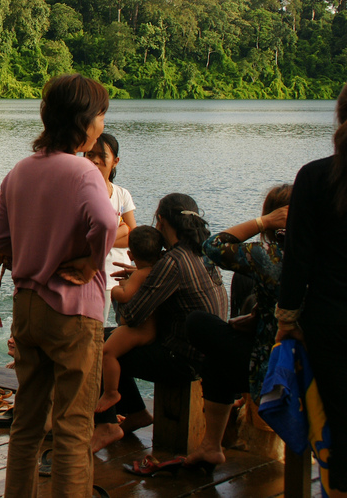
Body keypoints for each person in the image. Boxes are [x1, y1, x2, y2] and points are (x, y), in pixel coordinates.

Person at [0, 73, 116, 498]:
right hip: (73, 312)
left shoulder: (19, 171)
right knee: (74, 427)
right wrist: (92, 260)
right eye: (100, 115)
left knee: (26, 422)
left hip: (27, 307)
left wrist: (24, 252)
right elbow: (106, 222)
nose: (101, 125)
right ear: (83, 122)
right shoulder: (83, 172)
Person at [92, 193, 228, 452]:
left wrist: (128, 287)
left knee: (96, 345)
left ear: (162, 222)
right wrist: (142, 276)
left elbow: (131, 316)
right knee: (107, 338)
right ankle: (136, 413)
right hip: (205, 353)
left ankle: (106, 424)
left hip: (183, 359)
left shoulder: (173, 262)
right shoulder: (202, 253)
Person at [181, 185, 290, 470]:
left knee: (198, 325)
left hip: (275, 372)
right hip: (314, 366)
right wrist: (260, 318)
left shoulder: (271, 256)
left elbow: (212, 246)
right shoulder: (328, 255)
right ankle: (210, 448)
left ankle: (211, 446)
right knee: (218, 356)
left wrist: (263, 222)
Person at [277, 82, 347, 497]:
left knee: (337, 415)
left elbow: (296, 259)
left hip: (329, 321)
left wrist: (286, 320)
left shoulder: (316, 176)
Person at [96, 225, 166, 413]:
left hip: (136, 331)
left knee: (106, 352)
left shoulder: (140, 273)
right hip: (150, 330)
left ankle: (111, 392)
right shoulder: (158, 271)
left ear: (130, 254)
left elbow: (125, 295)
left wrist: (117, 288)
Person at [85, 133, 137, 323]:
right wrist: (121, 230)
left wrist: (100, 241)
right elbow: (83, 241)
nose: (95, 161)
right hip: (93, 276)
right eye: (90, 155)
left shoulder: (122, 195)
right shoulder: (81, 195)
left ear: (115, 161)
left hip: (121, 276)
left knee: (123, 326)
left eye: (101, 155)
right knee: (97, 326)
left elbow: (134, 238)